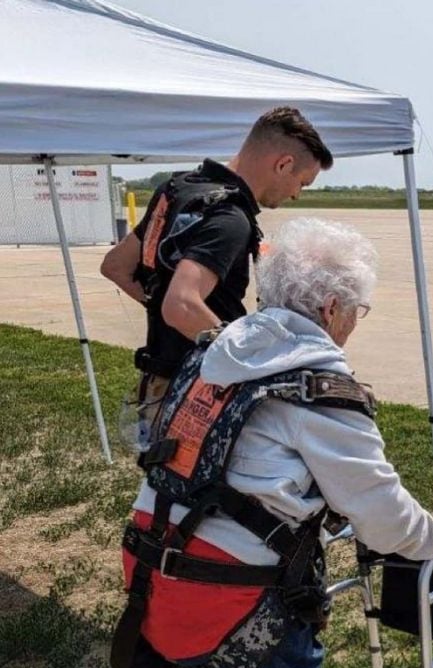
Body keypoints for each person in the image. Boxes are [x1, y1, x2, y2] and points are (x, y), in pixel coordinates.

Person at [114, 218, 433, 668]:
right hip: (238, 604)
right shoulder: (318, 387)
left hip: (159, 577)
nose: (357, 322)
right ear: (333, 308)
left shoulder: (217, 352)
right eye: (360, 309)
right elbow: (382, 513)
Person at [100, 106, 333, 446]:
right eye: (302, 182)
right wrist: (250, 362)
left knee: (164, 492)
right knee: (202, 494)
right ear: (283, 164)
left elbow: (116, 266)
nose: (297, 194)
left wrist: (159, 299)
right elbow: (181, 306)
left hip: (157, 380)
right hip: (199, 389)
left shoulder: (177, 189)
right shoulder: (230, 218)